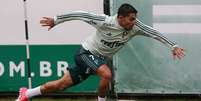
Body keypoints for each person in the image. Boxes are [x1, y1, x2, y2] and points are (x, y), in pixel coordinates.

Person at [16, 3, 185, 101]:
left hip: (96, 59)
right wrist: (56, 20)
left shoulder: (135, 27)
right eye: (131, 18)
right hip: (85, 53)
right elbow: (80, 14)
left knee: (60, 85)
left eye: (135, 18)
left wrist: (173, 46)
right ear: (120, 17)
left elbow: (153, 33)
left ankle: (27, 94)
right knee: (106, 74)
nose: (134, 22)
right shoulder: (105, 21)